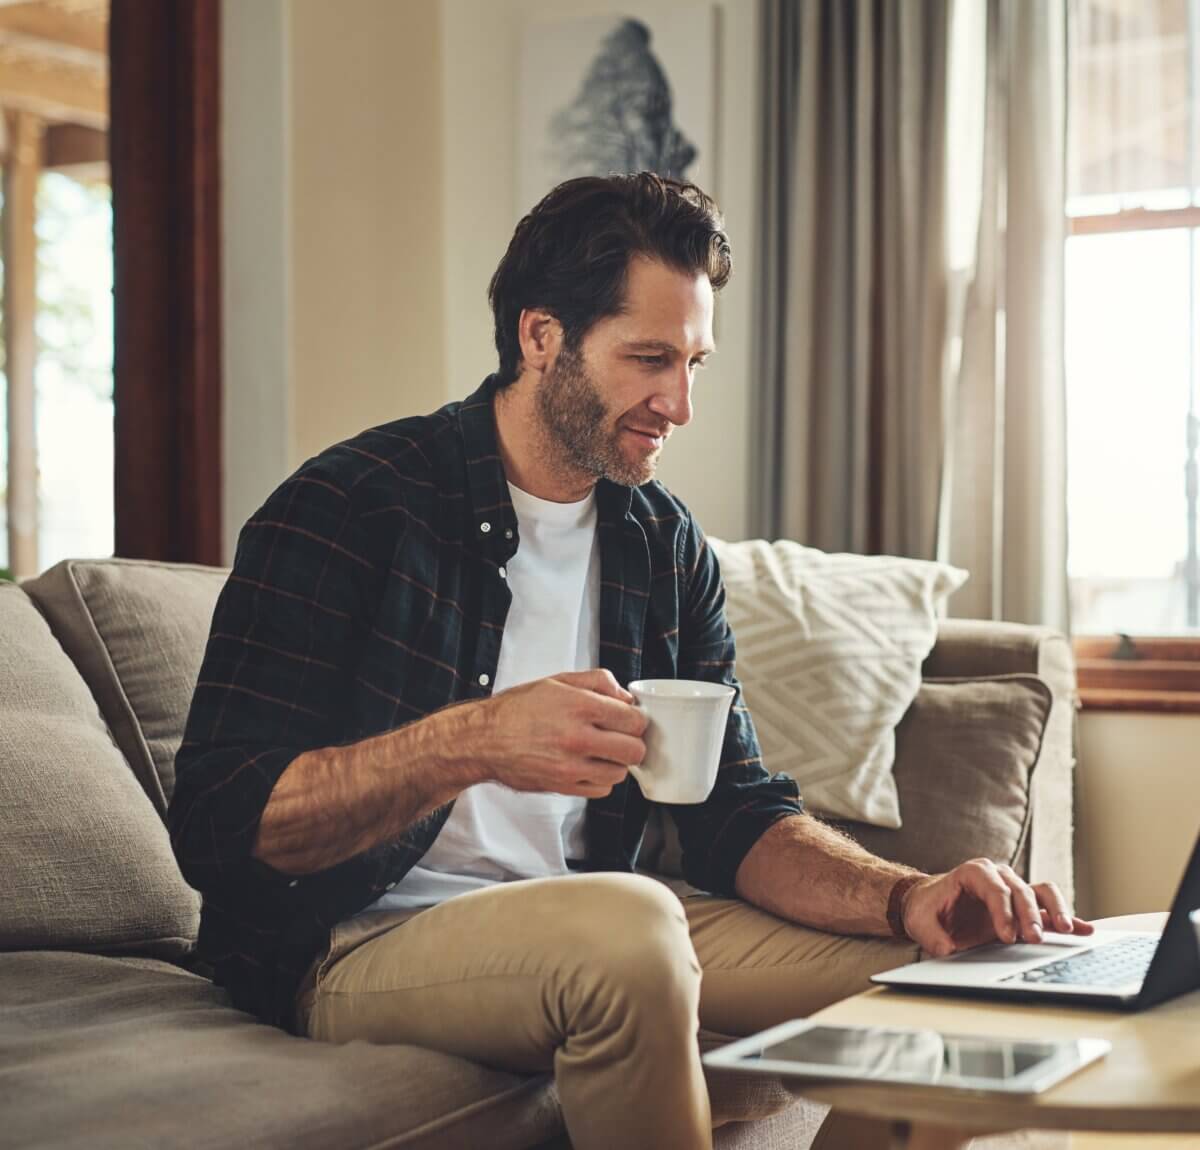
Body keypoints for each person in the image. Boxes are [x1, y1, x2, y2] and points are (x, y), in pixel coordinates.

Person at [167, 172, 1092, 1150]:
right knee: (632, 926)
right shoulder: (351, 507)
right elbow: (222, 824)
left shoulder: (661, 544)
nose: (680, 403)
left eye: (695, 361)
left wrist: (911, 896)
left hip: (609, 921)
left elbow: (738, 813)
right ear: (540, 338)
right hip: (357, 939)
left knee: (955, 982)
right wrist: (476, 740)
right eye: (649, 358)